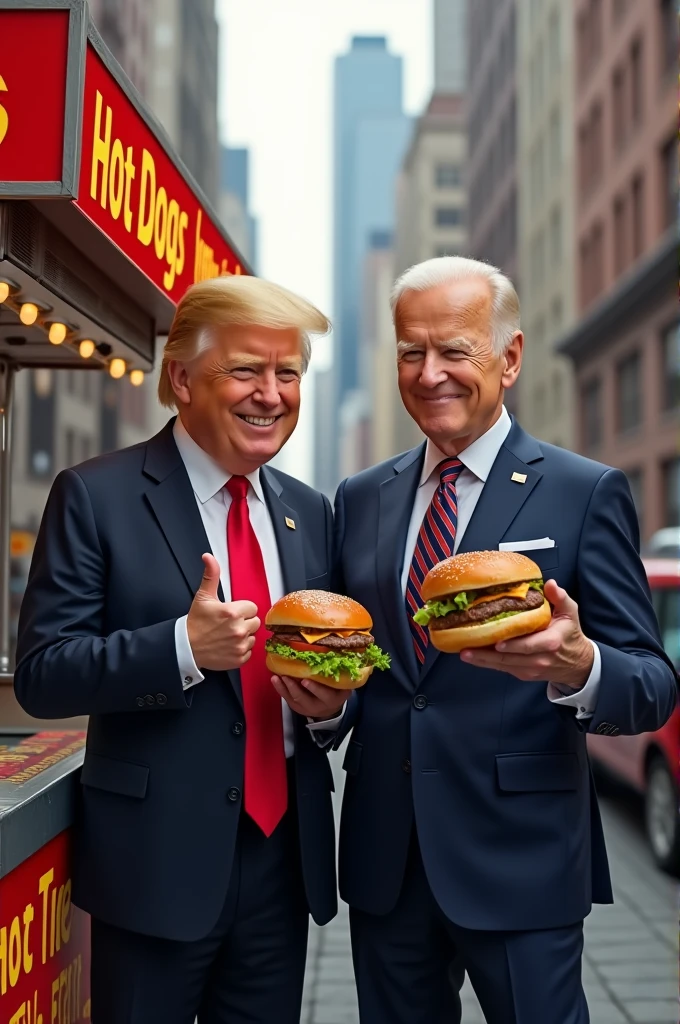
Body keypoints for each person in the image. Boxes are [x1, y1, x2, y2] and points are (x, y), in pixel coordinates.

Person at [328, 256, 677, 1024]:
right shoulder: (359, 499)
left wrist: (583, 667)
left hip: (522, 857)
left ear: (510, 357)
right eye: (411, 352)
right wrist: (326, 710)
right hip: (388, 856)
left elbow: (652, 684)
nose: (429, 374)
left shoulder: (584, 491)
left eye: (456, 351)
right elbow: (366, 678)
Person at [14, 276, 352, 1024]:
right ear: (181, 378)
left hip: (281, 867)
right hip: (153, 870)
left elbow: (329, 675)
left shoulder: (309, 511)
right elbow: (43, 674)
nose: (271, 393)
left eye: (287, 372)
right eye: (245, 370)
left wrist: (332, 708)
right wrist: (181, 649)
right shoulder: (94, 496)